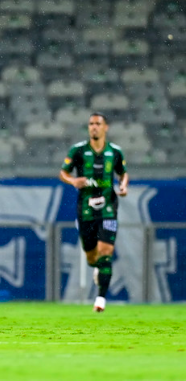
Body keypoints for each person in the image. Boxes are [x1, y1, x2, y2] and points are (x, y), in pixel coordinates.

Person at [59, 112, 128, 313]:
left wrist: (123, 186)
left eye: (97, 124)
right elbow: (63, 172)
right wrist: (73, 181)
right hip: (86, 209)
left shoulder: (115, 152)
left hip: (108, 208)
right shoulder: (78, 150)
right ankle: (98, 268)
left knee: (106, 251)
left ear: (106, 127)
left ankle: (100, 299)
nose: (94, 127)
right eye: (91, 124)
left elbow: (123, 174)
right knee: (91, 257)